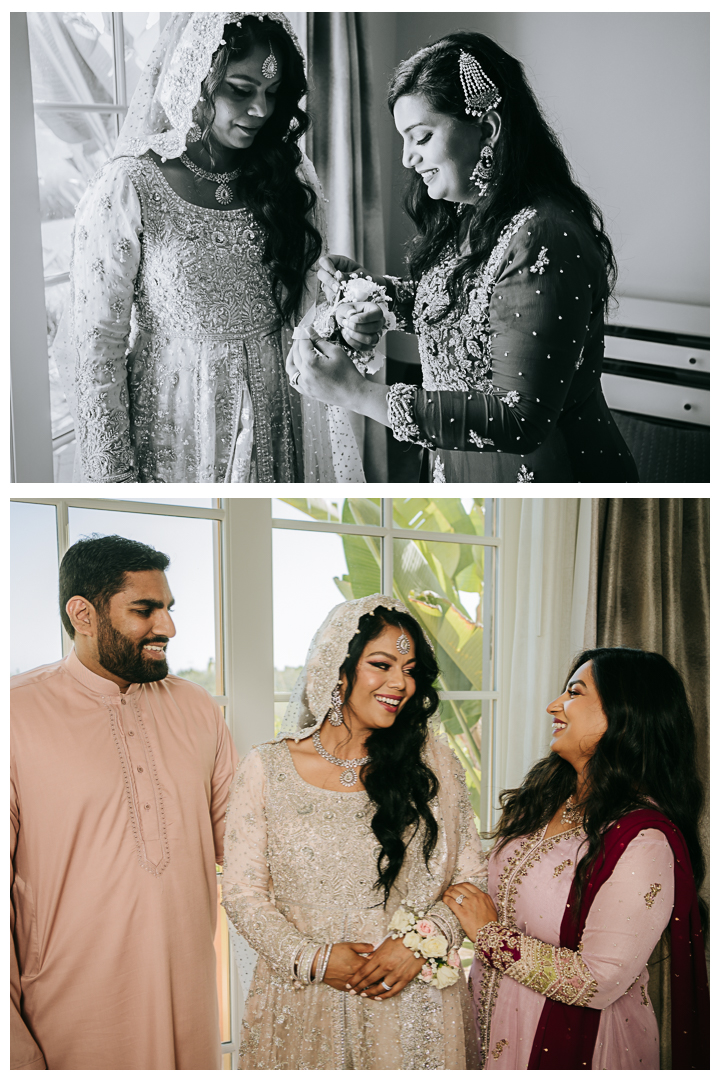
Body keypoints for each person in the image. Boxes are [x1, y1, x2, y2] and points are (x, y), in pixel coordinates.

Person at [288, 31, 639, 483]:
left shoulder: (544, 234)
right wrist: (373, 295)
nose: (408, 159)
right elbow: (467, 307)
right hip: (456, 468)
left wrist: (356, 393)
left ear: (487, 129)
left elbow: (521, 418)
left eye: (421, 137)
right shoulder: (473, 215)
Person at [56, 12, 379, 483]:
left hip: (277, 412)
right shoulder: (131, 184)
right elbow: (96, 343)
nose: (261, 111)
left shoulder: (289, 177)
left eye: (272, 94)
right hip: (177, 418)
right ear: (195, 78)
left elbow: (308, 307)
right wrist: (115, 478)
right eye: (240, 90)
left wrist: (344, 312)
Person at [221, 595, 484, 1069]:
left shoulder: (435, 766)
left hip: (408, 998)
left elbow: (471, 882)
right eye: (381, 664)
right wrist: (315, 959)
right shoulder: (267, 767)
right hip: (304, 999)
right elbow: (241, 893)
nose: (399, 683)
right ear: (336, 671)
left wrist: (418, 944)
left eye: (410, 670)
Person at [11, 535, 239, 1069]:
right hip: (70, 1014)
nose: (168, 627)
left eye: (168, 609)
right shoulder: (16, 715)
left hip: (191, 1002)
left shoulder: (197, 708)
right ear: (83, 614)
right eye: (145, 610)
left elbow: (248, 847)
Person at [442, 648, 709, 1069]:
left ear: (624, 714)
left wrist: (489, 935)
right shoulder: (547, 800)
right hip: (491, 1020)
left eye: (574, 692)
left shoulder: (643, 839)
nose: (554, 705)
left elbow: (599, 980)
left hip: (576, 1041)